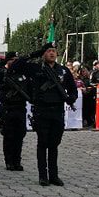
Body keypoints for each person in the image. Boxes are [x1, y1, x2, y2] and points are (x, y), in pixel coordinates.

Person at [13, 43, 78, 186]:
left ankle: (54, 175)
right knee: (42, 143)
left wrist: (71, 98)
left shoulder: (63, 70)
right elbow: (15, 67)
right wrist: (34, 54)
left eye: (54, 51)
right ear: (43, 54)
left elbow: (73, 89)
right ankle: (43, 175)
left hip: (57, 111)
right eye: (48, 51)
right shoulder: (36, 68)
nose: (52, 53)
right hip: (42, 111)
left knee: (54, 144)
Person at [0, 52, 30, 172]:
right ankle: (9, 161)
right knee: (9, 136)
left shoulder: (23, 75)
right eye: (12, 59)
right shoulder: (2, 73)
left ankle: (17, 160)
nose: (15, 62)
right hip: (8, 108)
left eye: (17, 60)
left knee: (19, 135)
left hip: (20, 108)